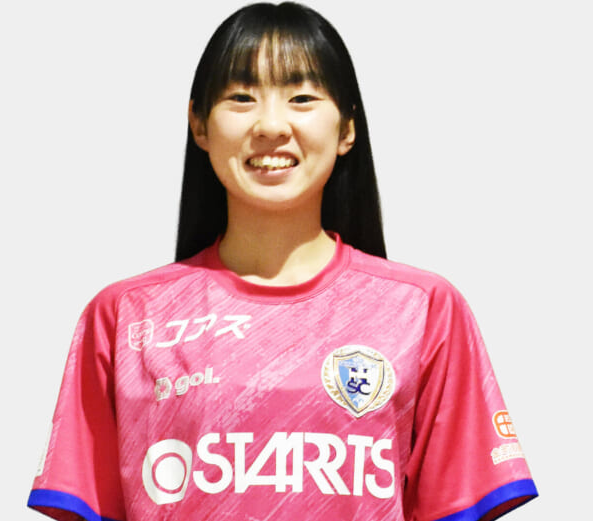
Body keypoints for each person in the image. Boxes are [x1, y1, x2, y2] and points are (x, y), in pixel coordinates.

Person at [27, 3, 537, 521]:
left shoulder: (423, 310)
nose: (271, 125)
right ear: (199, 124)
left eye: (302, 98)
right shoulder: (125, 316)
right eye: (241, 97)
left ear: (347, 128)